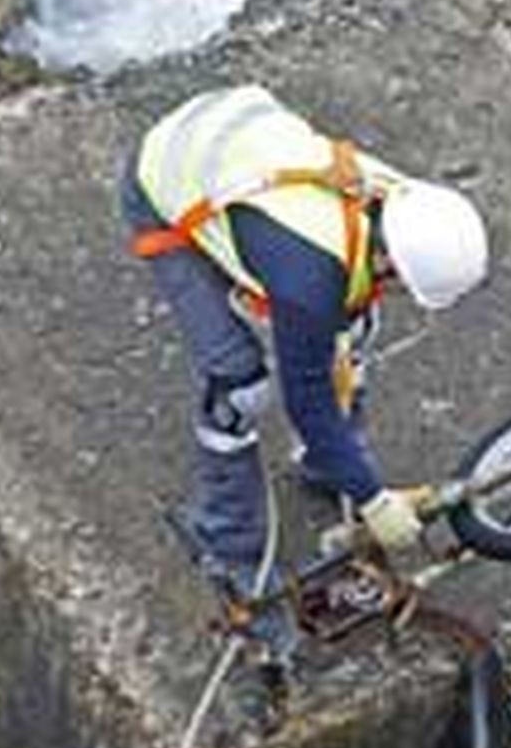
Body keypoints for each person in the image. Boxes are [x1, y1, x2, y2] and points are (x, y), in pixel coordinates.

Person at [120, 84, 490, 656]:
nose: (402, 295)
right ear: (393, 260)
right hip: (166, 177)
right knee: (240, 387)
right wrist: (371, 498)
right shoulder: (308, 278)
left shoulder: (405, 205)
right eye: (404, 286)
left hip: (234, 139)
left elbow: (346, 318)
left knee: (354, 332)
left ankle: (326, 464)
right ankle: (224, 537)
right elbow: (307, 398)